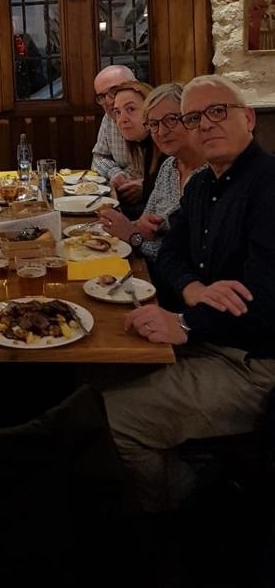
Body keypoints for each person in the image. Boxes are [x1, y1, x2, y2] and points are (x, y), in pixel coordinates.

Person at [103, 74, 275, 513]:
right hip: (209, 339)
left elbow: (265, 303)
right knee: (96, 375)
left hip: (253, 362)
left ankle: (190, 506)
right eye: (195, 117)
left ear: (249, 118)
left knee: (111, 420)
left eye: (219, 111)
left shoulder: (267, 185)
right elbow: (171, 255)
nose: (206, 124)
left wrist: (183, 321)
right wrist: (194, 289)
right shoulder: (201, 185)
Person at [100, 83, 205, 267]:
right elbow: (144, 223)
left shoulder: (208, 176)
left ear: (192, 119)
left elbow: (188, 259)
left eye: (171, 120)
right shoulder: (168, 166)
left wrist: (133, 237)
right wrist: (135, 228)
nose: (162, 132)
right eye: (154, 124)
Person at [91, 65, 143, 211]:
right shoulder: (109, 118)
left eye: (113, 91)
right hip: (122, 201)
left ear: (136, 87)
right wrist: (115, 173)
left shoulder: (156, 121)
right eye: (101, 96)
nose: (108, 101)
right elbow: (99, 157)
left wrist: (147, 186)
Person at [110, 81, 160, 217]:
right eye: (117, 112)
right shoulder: (146, 145)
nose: (122, 119)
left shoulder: (165, 150)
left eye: (131, 109)